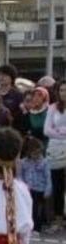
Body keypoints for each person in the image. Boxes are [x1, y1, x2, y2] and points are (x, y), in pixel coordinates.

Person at [44, 81, 66, 229]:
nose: (64, 93)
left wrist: (57, 131)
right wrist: (62, 133)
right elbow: (47, 130)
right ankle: (58, 218)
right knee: (57, 185)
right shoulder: (52, 108)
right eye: (62, 90)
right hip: (56, 150)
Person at [19, 137, 51, 232]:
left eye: (38, 153)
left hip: (40, 189)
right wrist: (23, 187)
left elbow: (47, 176)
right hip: (29, 189)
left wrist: (48, 189)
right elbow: (21, 176)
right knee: (30, 208)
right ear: (29, 152)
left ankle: (38, 227)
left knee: (38, 209)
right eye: (34, 153)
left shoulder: (44, 162)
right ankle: (30, 226)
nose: (37, 155)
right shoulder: (23, 162)